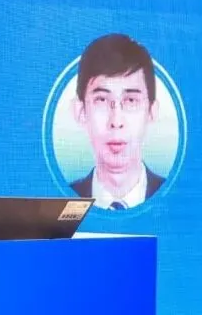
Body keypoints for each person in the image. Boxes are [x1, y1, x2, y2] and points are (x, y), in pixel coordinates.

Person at [69, 33, 165, 210]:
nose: (116, 121)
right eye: (101, 100)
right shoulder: (59, 201)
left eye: (131, 100)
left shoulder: (178, 200)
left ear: (152, 111)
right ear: (81, 111)